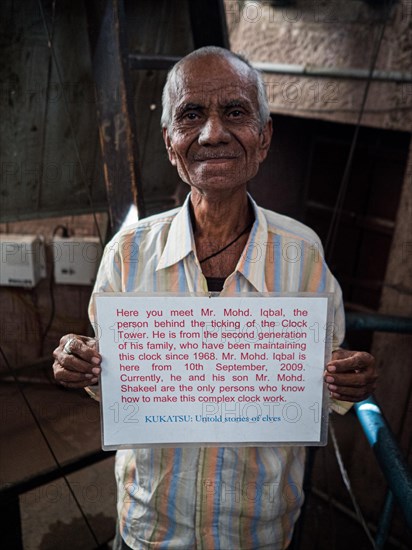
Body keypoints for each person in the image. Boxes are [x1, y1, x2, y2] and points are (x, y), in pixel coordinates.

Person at [53, 46, 377, 550]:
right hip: (150, 531)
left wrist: (345, 380)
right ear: (170, 143)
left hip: (259, 533)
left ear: (264, 137)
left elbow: (324, 386)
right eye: (191, 115)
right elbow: (113, 383)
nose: (212, 133)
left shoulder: (303, 254)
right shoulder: (128, 253)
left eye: (235, 112)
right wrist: (85, 365)